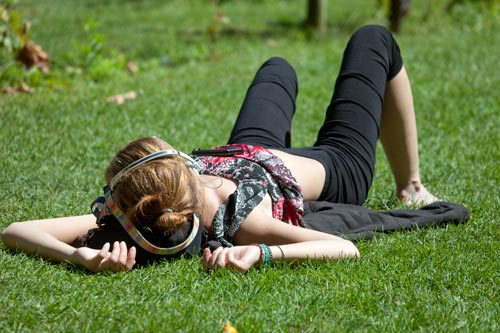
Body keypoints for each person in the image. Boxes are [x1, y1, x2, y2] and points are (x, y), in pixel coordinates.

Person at [1, 25, 440, 273]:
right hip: (330, 169)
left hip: (246, 153)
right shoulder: (237, 217)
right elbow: (343, 248)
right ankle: (412, 186)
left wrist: (79, 253)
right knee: (375, 40)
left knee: (277, 68)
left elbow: (16, 229)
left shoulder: (131, 213)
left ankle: (277, 92)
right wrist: (263, 251)